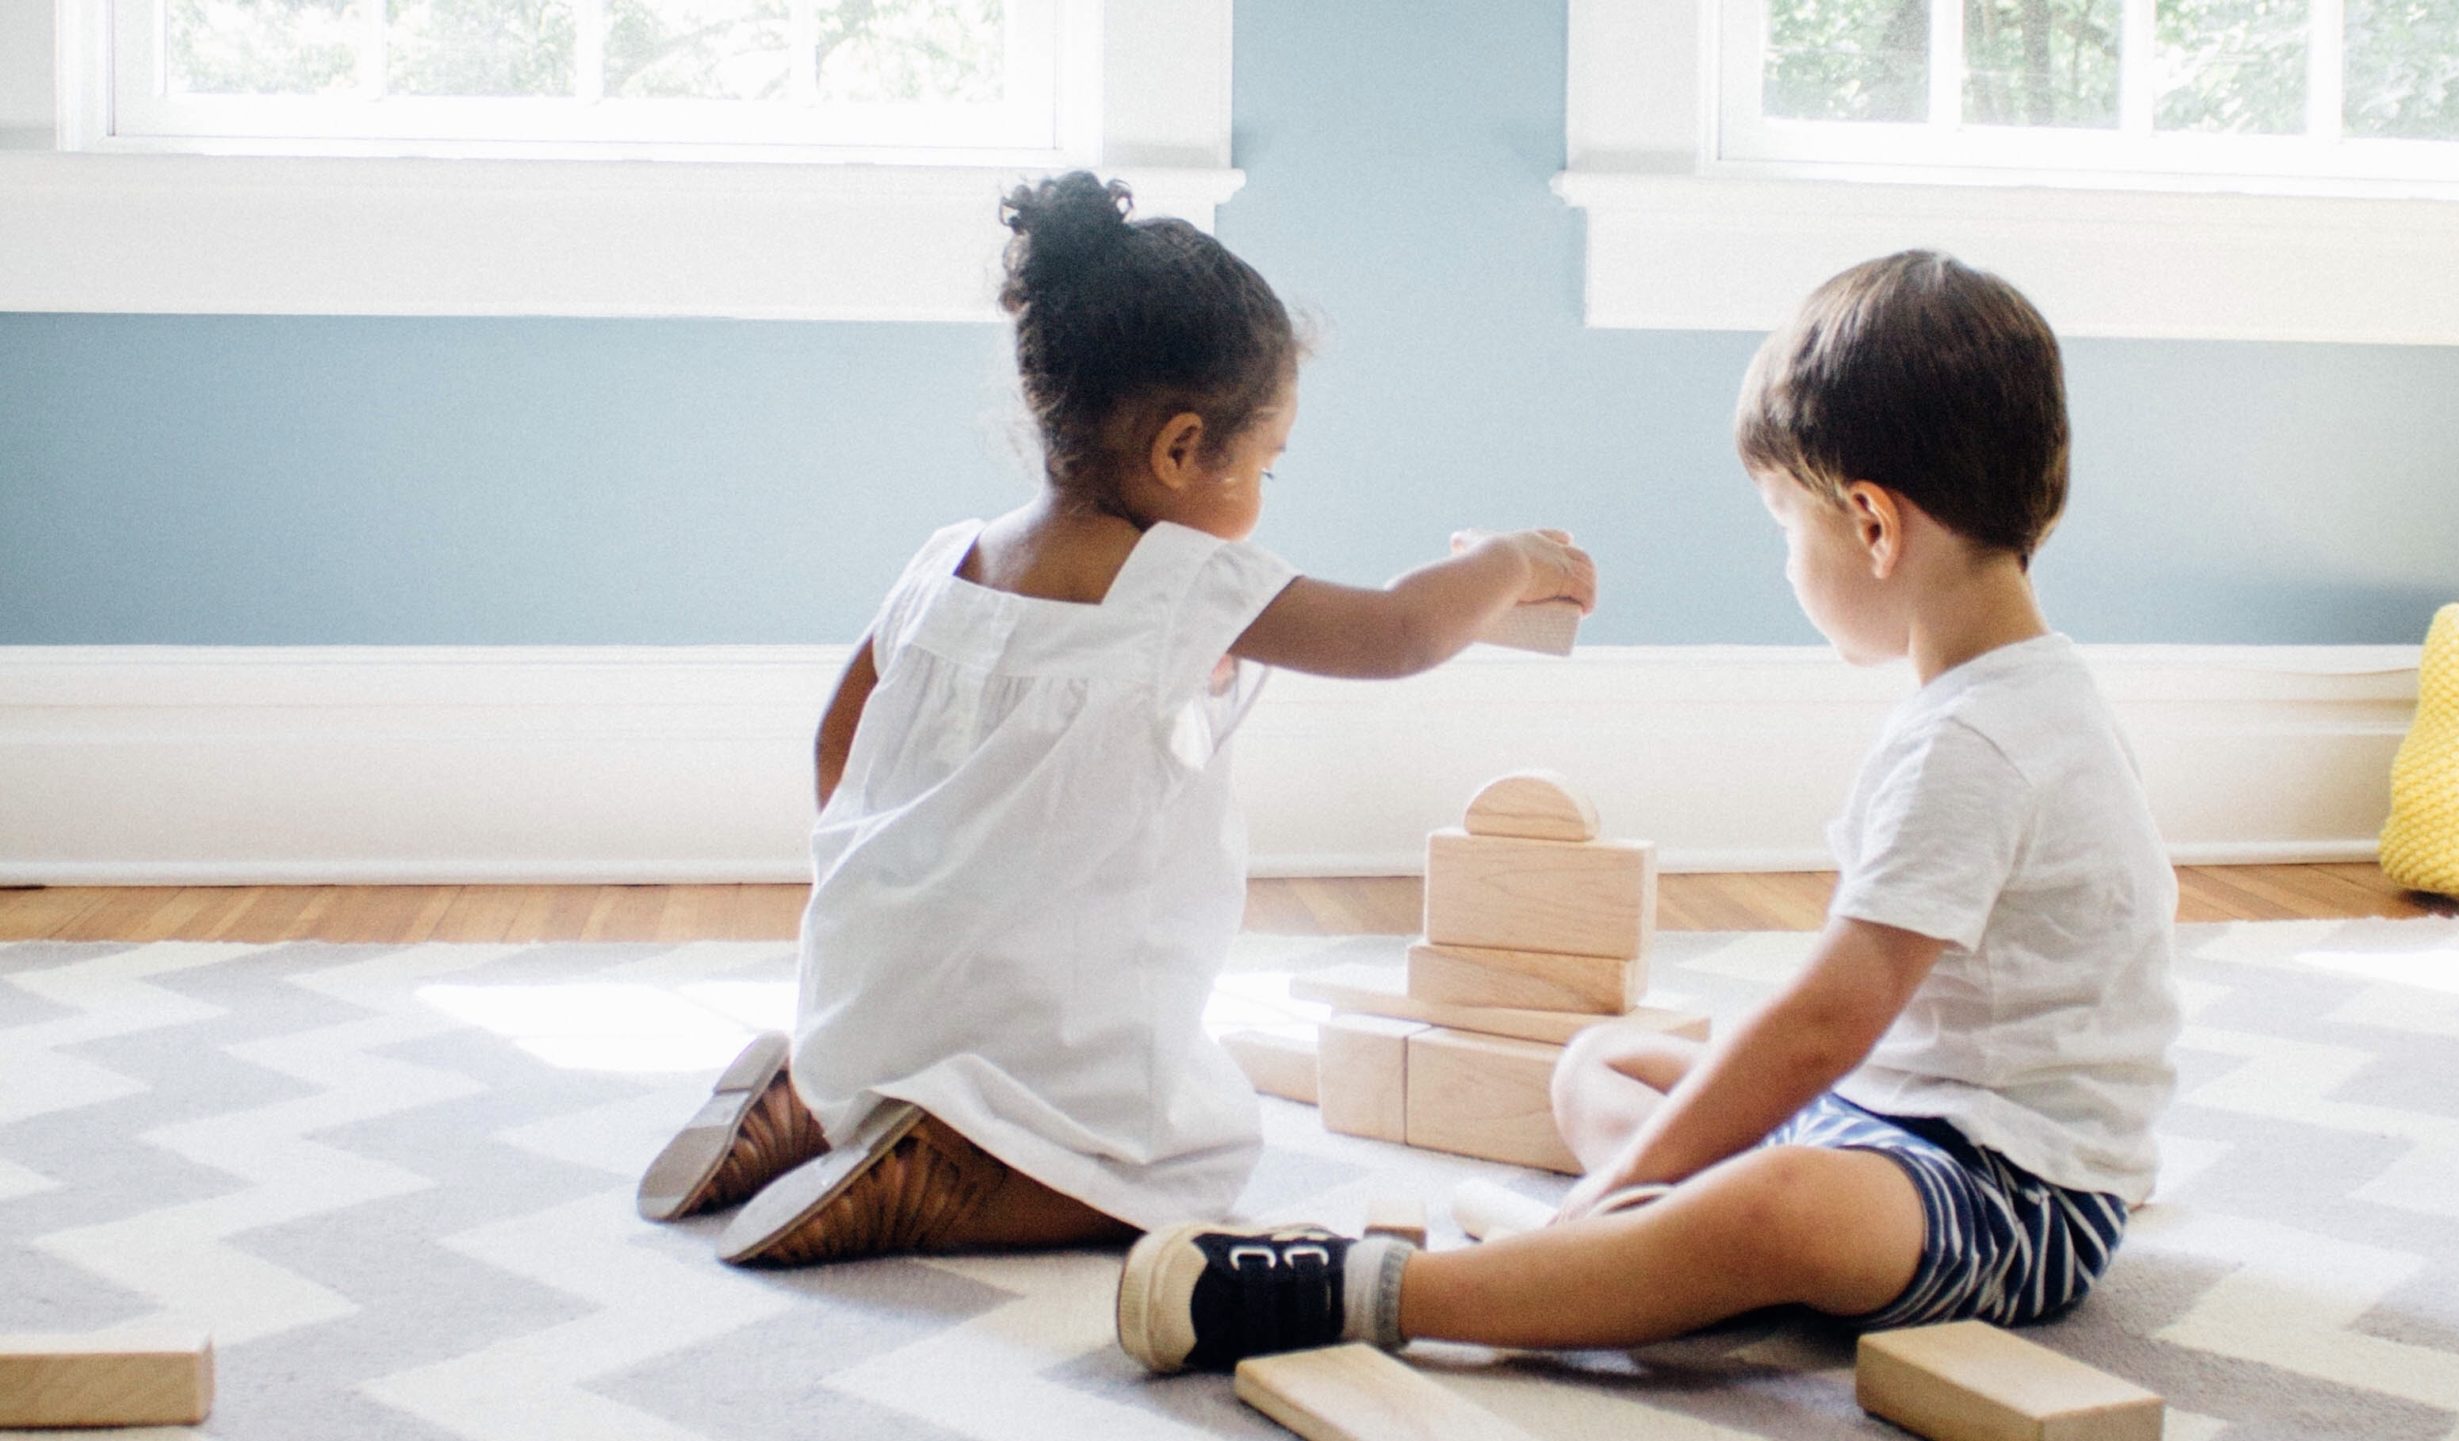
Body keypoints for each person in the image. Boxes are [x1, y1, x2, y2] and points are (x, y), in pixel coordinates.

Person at [1115, 250, 2182, 1371]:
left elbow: (1827, 1020)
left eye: (1785, 526)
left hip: (2010, 1187)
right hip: (1894, 1118)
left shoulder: (1977, 740)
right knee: (1599, 1065)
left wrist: (1616, 1189)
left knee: (1780, 1201)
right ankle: (1672, 1263)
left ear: (1871, 524)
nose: (1785, 561)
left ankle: (1389, 1290)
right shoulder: (2009, 698)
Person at [633, 171, 1597, 1266]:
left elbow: (833, 743)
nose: (1266, 492)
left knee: (898, 1049)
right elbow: (1396, 633)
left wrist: (892, 904)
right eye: (1266, 464)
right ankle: (944, 1183)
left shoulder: (945, 561)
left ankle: (819, 1094)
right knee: (1178, 1162)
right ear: (1184, 451)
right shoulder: (1178, 582)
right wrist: (1511, 561)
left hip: (863, 993)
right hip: (1044, 1039)